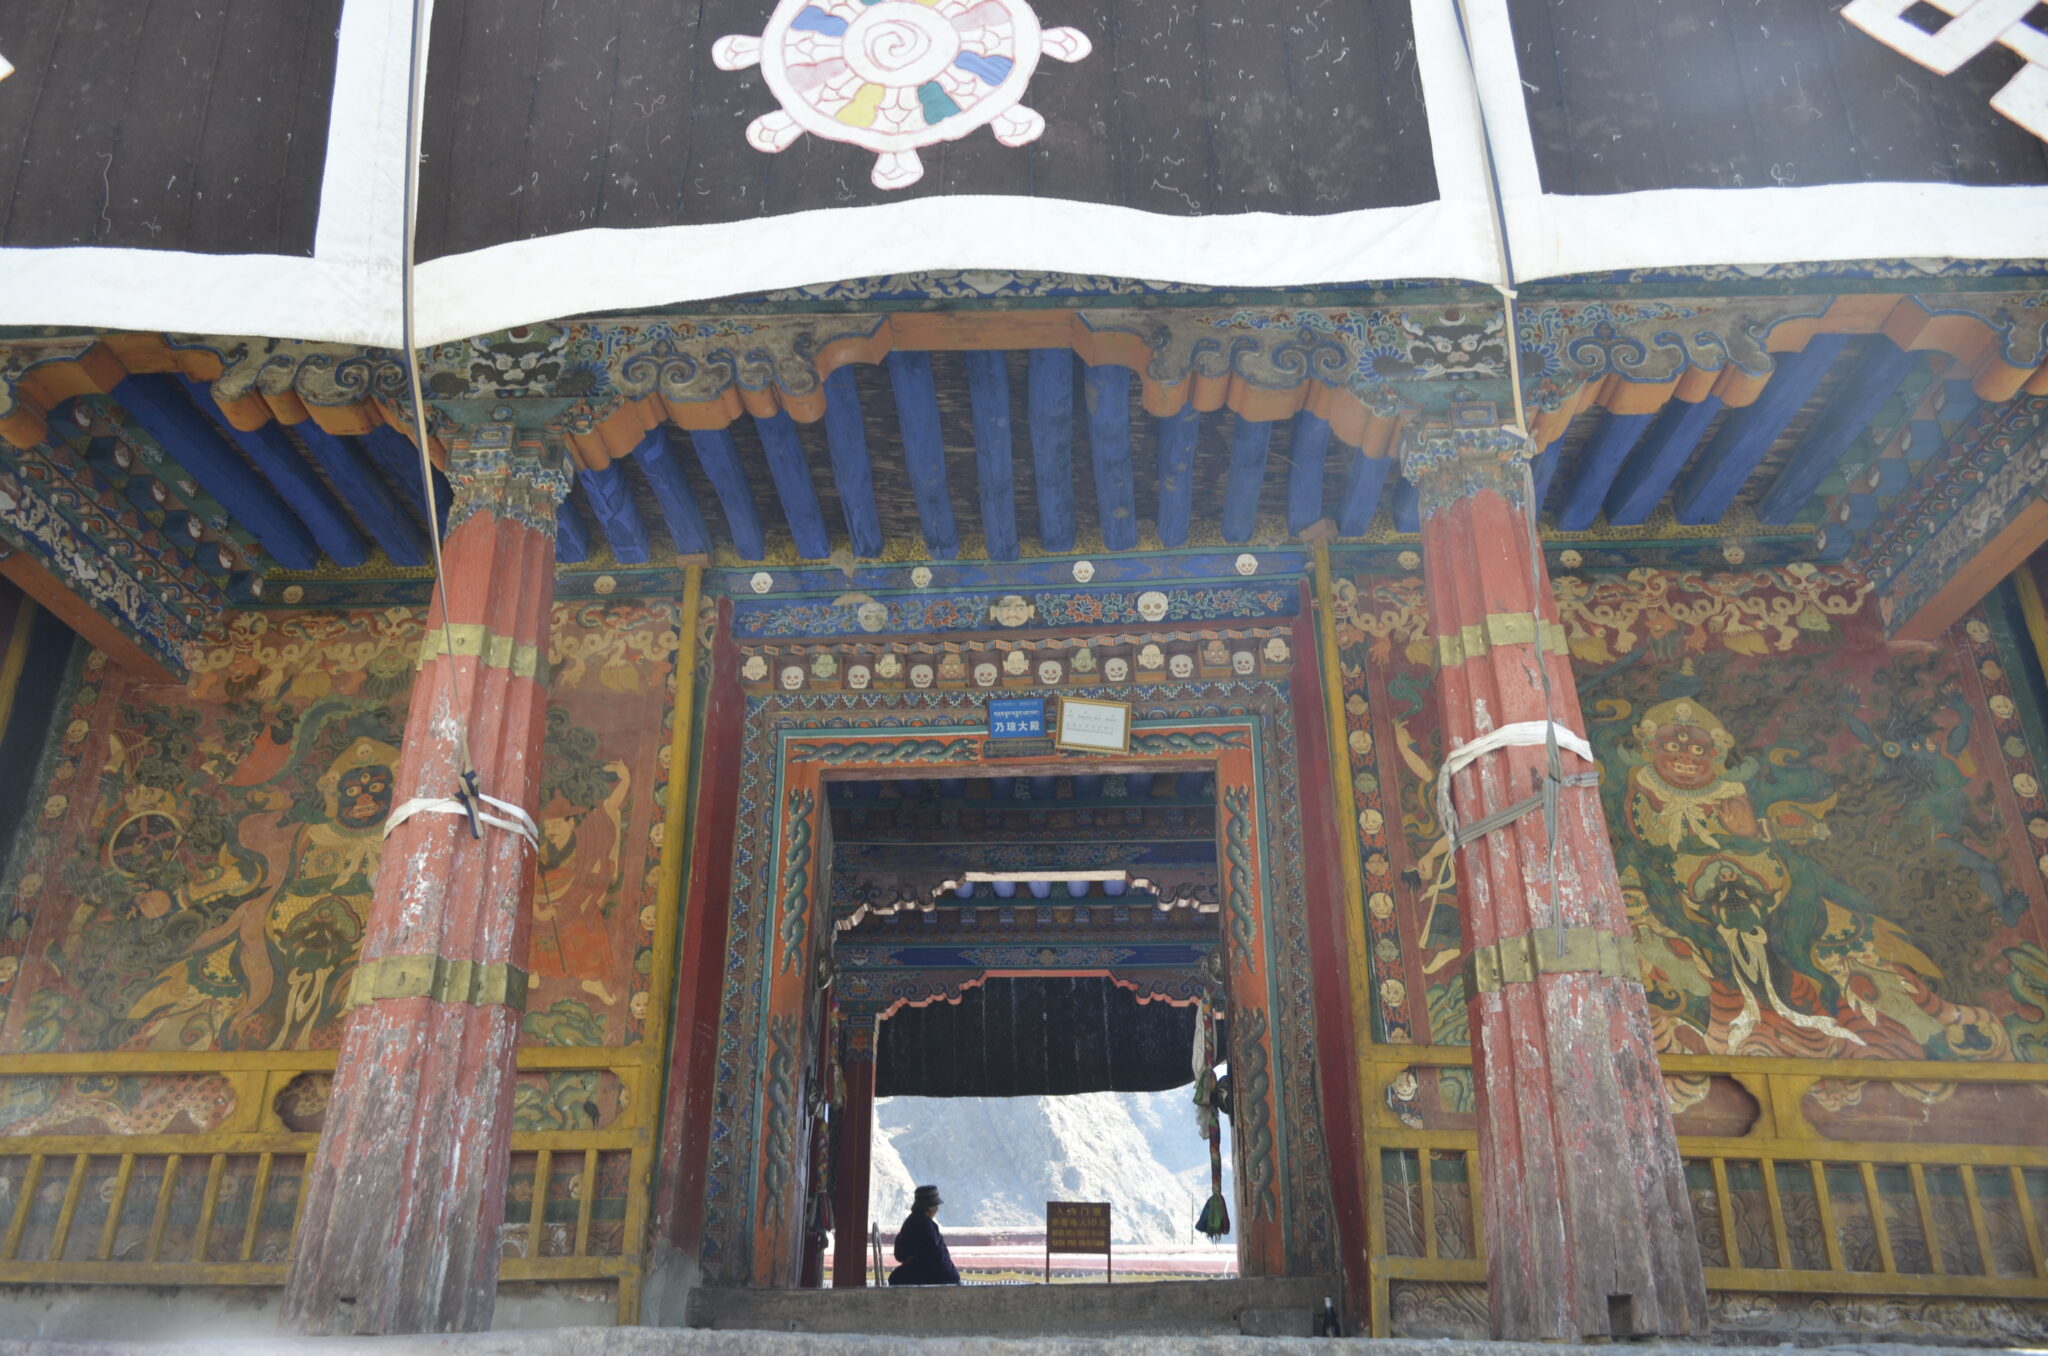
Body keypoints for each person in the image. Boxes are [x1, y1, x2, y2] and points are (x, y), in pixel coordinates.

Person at [887, 1184, 960, 1286]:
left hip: (935, 1273)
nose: (937, 1208)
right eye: (936, 1205)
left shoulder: (910, 1221)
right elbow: (934, 1257)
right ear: (930, 1207)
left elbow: (899, 1254)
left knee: (895, 1278)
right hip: (941, 1277)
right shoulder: (926, 1225)